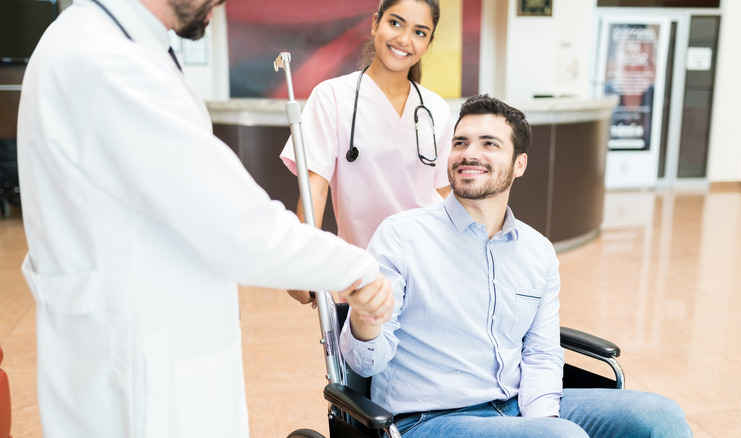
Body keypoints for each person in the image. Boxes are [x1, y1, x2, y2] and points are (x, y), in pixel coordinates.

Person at [16, 0, 393, 437]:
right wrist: (356, 270)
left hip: (131, 347)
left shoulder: (98, 41)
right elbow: (237, 227)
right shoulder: (106, 63)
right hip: (139, 376)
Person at [341, 95, 692, 437]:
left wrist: (541, 420)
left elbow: (541, 353)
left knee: (661, 418)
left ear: (519, 164)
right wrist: (365, 318)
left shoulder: (537, 251)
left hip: (516, 404)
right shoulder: (403, 236)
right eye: (460, 142)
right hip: (430, 420)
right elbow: (364, 364)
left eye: (489, 143)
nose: (469, 153)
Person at [281, 0, 453, 305]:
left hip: (429, 270)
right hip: (362, 274)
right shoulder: (332, 97)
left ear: (428, 43)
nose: (404, 40)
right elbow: (314, 190)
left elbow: (443, 196)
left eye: (419, 32)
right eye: (395, 23)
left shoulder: (436, 109)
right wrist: (301, 259)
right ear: (376, 23)